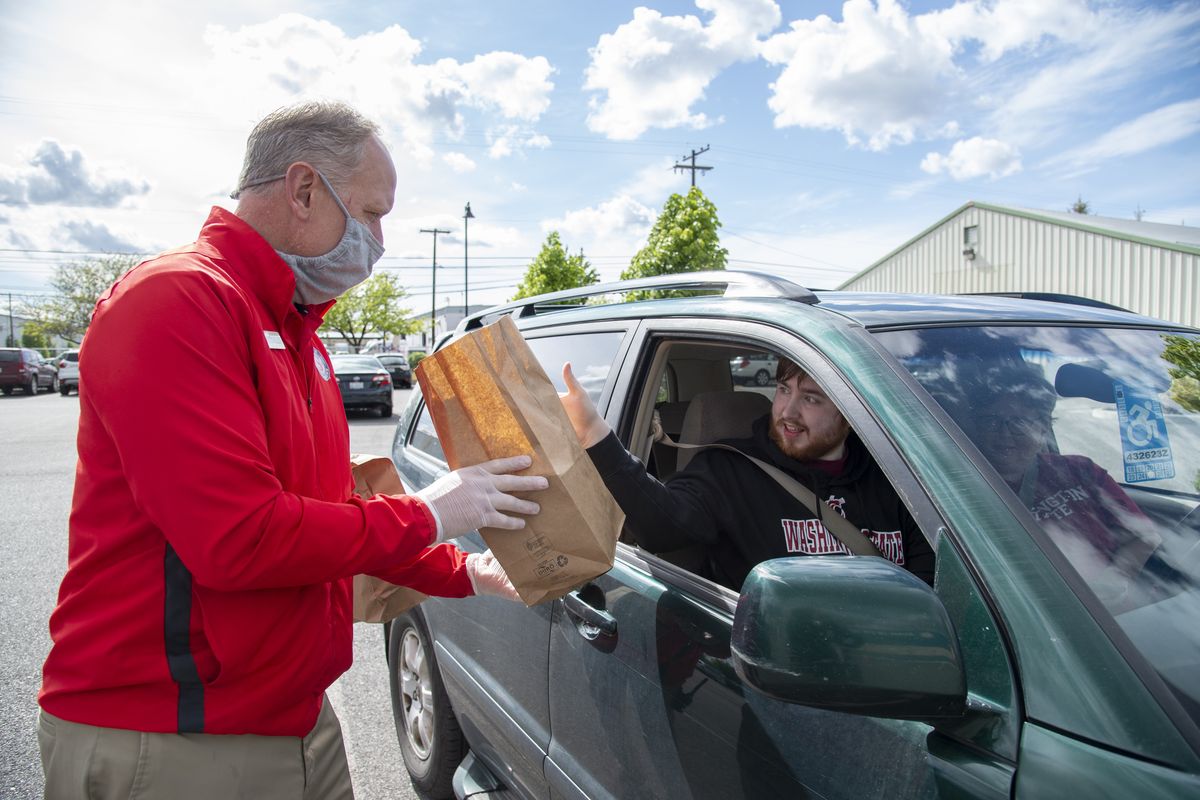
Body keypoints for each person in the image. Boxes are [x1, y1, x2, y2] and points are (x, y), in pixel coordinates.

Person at [37, 101, 548, 800]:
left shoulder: (293, 328)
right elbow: (240, 537)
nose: (379, 240)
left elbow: (327, 514)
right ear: (305, 189)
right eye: (371, 213)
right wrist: (429, 512)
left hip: (291, 717)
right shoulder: (177, 301)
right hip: (174, 738)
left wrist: (461, 571)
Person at [559, 356, 936, 590]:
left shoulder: (898, 481)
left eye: (810, 398)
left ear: (852, 414)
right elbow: (662, 525)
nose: (787, 411)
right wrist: (595, 434)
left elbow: (934, 589)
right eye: (784, 390)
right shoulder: (729, 468)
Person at [965, 363, 1160, 584]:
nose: (1004, 432)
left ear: (1044, 427)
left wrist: (1116, 580)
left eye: (1019, 421)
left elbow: (1143, 535)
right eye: (991, 420)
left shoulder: (1081, 470)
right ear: (976, 426)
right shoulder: (962, 487)